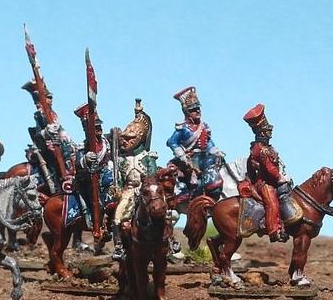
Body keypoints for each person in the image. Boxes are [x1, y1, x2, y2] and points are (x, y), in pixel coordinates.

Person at [111, 99, 159, 260]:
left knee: (161, 211)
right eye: (124, 138)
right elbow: (119, 179)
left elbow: (152, 175)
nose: (125, 141)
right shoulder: (122, 160)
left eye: (129, 138)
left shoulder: (148, 157)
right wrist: (117, 189)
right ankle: (119, 245)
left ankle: (169, 240)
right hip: (129, 191)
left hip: (146, 191)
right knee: (118, 215)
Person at [243, 103, 291, 243]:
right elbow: (270, 169)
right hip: (265, 182)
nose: (270, 133)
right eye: (268, 131)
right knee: (272, 203)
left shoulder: (261, 147)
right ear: (263, 133)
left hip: (267, 179)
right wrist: (280, 177)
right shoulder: (262, 149)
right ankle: (274, 231)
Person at [166, 86, 224, 200]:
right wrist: (181, 155)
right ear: (187, 112)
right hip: (189, 158)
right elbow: (172, 142)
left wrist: (215, 151)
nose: (197, 111)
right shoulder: (183, 128)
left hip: (203, 157)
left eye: (198, 108)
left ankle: (212, 187)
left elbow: (208, 142)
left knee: (213, 161)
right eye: (193, 109)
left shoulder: (204, 126)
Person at [73, 103, 115, 252]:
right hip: (90, 181)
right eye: (95, 128)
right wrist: (85, 159)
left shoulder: (107, 142)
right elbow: (77, 164)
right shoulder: (83, 146)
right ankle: (97, 227)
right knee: (97, 202)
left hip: (108, 178)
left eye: (99, 127)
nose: (99, 130)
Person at [22, 81, 76, 194]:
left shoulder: (53, 113)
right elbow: (39, 133)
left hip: (59, 141)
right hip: (48, 144)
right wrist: (47, 132)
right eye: (47, 98)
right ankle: (58, 182)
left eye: (50, 97)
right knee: (56, 154)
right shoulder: (40, 114)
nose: (50, 100)